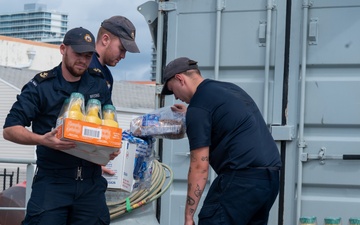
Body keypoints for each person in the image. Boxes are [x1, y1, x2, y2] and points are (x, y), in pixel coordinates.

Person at [3, 27, 117, 225]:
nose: (83, 60)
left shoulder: (98, 83)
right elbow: (10, 129)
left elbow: (107, 123)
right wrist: (43, 140)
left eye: (88, 55)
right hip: (53, 183)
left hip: (90, 184)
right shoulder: (41, 86)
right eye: (78, 54)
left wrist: (109, 148)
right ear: (63, 49)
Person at [161, 57, 282, 225]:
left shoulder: (199, 107)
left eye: (172, 90)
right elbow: (222, 116)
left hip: (241, 180)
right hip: (269, 180)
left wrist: (188, 217)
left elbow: (199, 167)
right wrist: (190, 114)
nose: (175, 97)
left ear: (180, 79)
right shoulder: (226, 89)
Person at [90, 15, 140, 95]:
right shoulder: (81, 67)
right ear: (105, 40)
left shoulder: (107, 76)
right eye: (121, 49)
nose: (123, 56)